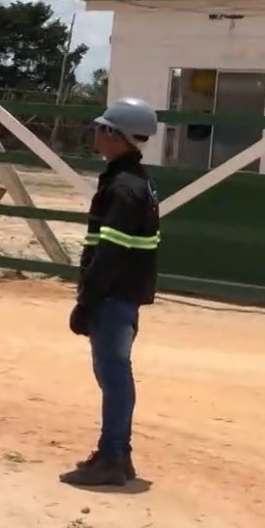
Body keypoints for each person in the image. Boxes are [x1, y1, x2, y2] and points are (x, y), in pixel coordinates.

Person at [60, 97, 160, 488]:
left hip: (113, 295)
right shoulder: (135, 181)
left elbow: (110, 253)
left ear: (117, 136)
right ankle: (119, 455)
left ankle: (113, 456)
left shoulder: (122, 187)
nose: (95, 133)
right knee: (115, 373)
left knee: (114, 374)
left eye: (102, 128)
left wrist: (86, 302)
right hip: (123, 293)